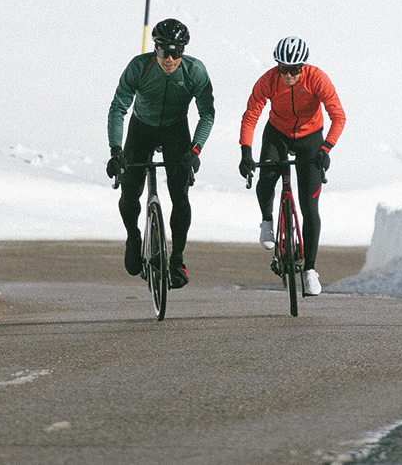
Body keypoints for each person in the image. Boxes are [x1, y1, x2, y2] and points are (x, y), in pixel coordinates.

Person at [106, 18, 215, 290]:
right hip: (141, 128)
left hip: (175, 130)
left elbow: (207, 114)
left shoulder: (195, 71)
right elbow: (118, 108)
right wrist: (116, 150)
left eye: (177, 52)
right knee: (130, 191)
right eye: (164, 51)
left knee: (180, 194)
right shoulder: (139, 67)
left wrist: (196, 149)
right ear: (155, 49)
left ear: (183, 52)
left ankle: (177, 258)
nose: (170, 58)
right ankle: (133, 236)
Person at [238, 36, 345, 297]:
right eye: (283, 69)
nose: (289, 75)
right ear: (277, 67)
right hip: (278, 133)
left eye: (295, 69)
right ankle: (267, 220)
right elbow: (251, 115)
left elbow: (338, 116)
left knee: (310, 206)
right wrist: (246, 151)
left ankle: (310, 270)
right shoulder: (268, 80)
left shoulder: (317, 78)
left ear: (303, 67)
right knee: (267, 177)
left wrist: (326, 148)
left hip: (311, 137)